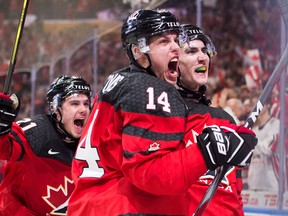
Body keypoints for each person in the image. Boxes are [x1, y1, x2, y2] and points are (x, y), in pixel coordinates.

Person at [68, 9, 256, 216]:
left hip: (93, 204)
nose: (175, 48)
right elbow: (151, 175)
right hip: (118, 206)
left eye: (176, 40)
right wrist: (207, 151)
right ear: (138, 51)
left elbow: (231, 190)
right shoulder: (149, 91)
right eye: (164, 42)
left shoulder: (120, 81)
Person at [177, 24, 257, 215]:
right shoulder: (161, 115)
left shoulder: (224, 118)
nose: (202, 56)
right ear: (172, 61)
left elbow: (235, 189)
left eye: (204, 50)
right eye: (191, 51)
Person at [0, 75, 92, 215]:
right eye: (74, 103)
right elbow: (4, 149)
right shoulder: (36, 133)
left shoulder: (92, 141)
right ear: (56, 108)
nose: (83, 109)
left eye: (86, 104)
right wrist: (1, 131)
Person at [248, 100, 280, 192]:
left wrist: (251, 140)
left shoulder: (277, 125)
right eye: (253, 105)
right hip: (254, 181)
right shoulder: (253, 129)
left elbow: (268, 150)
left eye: (258, 104)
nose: (255, 107)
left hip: (271, 182)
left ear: (268, 105)